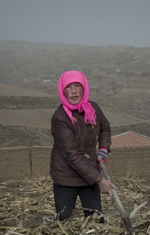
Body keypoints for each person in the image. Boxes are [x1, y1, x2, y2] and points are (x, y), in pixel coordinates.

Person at [50, 70, 117, 222]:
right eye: (68, 87)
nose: (73, 91)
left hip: (89, 177)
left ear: (84, 88)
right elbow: (72, 155)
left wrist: (103, 151)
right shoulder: (60, 118)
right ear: (62, 91)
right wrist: (100, 181)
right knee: (64, 221)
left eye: (77, 86)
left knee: (95, 219)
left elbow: (105, 128)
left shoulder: (93, 108)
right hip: (66, 178)